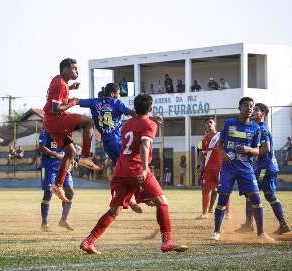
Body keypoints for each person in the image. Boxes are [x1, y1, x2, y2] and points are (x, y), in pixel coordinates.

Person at [80, 94, 187, 254]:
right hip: (136, 169)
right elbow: (144, 146)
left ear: (135, 109)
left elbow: (134, 137)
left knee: (114, 210)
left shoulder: (127, 124)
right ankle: (167, 241)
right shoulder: (150, 124)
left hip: (121, 170)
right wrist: (144, 169)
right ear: (150, 109)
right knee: (162, 201)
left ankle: (89, 241)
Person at [79, 82, 163, 213]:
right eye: (118, 94)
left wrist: (64, 102)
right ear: (113, 94)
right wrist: (150, 117)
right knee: (134, 167)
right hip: (117, 141)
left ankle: (131, 198)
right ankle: (143, 196)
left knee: (122, 169)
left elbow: (78, 101)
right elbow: (133, 113)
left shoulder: (94, 102)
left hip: (107, 144)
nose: (119, 97)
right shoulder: (116, 103)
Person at [211, 97, 274, 241]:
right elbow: (220, 144)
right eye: (246, 105)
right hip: (229, 168)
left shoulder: (255, 128)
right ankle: (216, 232)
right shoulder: (229, 123)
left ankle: (261, 233)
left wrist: (248, 149)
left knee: (256, 198)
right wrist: (223, 154)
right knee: (223, 197)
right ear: (239, 108)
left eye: (251, 106)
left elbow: (259, 151)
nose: (250, 108)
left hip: (246, 168)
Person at [42, 58, 101, 203]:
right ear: (65, 69)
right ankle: (86, 157)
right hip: (55, 120)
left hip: (50, 123)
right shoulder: (60, 84)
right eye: (74, 68)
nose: (77, 71)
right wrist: (73, 102)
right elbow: (55, 109)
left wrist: (70, 89)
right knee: (88, 122)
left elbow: (54, 98)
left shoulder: (59, 82)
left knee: (70, 152)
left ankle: (57, 185)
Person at [235, 103, 291, 235]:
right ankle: (282, 224)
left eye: (256, 110)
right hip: (264, 166)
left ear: (263, 114)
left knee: (252, 192)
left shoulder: (262, 129)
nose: (253, 111)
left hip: (265, 167)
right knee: (267, 194)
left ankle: (250, 224)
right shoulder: (257, 128)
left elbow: (266, 149)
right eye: (253, 109)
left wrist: (249, 150)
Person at [38, 128, 75, 232]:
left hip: (63, 166)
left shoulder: (65, 130)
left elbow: (69, 147)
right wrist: (56, 155)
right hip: (48, 167)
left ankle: (64, 220)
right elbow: (41, 147)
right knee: (48, 192)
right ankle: (44, 223)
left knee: (70, 192)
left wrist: (73, 159)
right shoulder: (46, 130)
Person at [196, 118, 230, 220]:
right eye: (207, 123)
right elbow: (202, 154)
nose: (209, 124)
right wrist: (201, 166)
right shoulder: (204, 139)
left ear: (215, 124)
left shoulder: (221, 135)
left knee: (223, 191)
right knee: (206, 190)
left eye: (211, 122)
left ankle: (227, 213)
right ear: (205, 126)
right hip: (208, 169)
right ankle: (204, 213)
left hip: (220, 167)